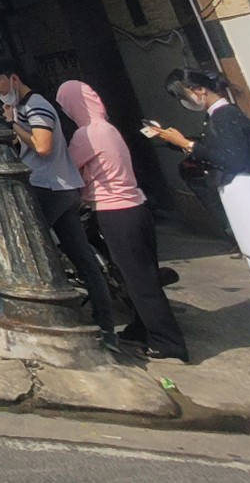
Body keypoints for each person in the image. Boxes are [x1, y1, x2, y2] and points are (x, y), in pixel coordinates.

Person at [149, 68, 250, 381]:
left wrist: (189, 145)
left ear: (197, 90)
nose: (184, 100)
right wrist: (178, 142)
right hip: (249, 205)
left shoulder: (226, 117)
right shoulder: (220, 117)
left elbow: (231, 159)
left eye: (182, 94)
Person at [0, 54, 116, 341]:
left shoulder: (35, 105)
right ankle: (105, 323)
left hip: (49, 187)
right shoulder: (26, 106)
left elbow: (42, 146)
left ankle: (45, 311)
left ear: (14, 78)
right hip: (64, 187)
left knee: (29, 247)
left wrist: (12, 123)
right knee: (81, 257)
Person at [58, 80, 187, 362]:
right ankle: (141, 329)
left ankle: (168, 342)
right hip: (135, 206)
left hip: (114, 211)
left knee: (140, 282)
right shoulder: (109, 129)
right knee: (141, 277)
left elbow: (68, 167)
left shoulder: (87, 135)